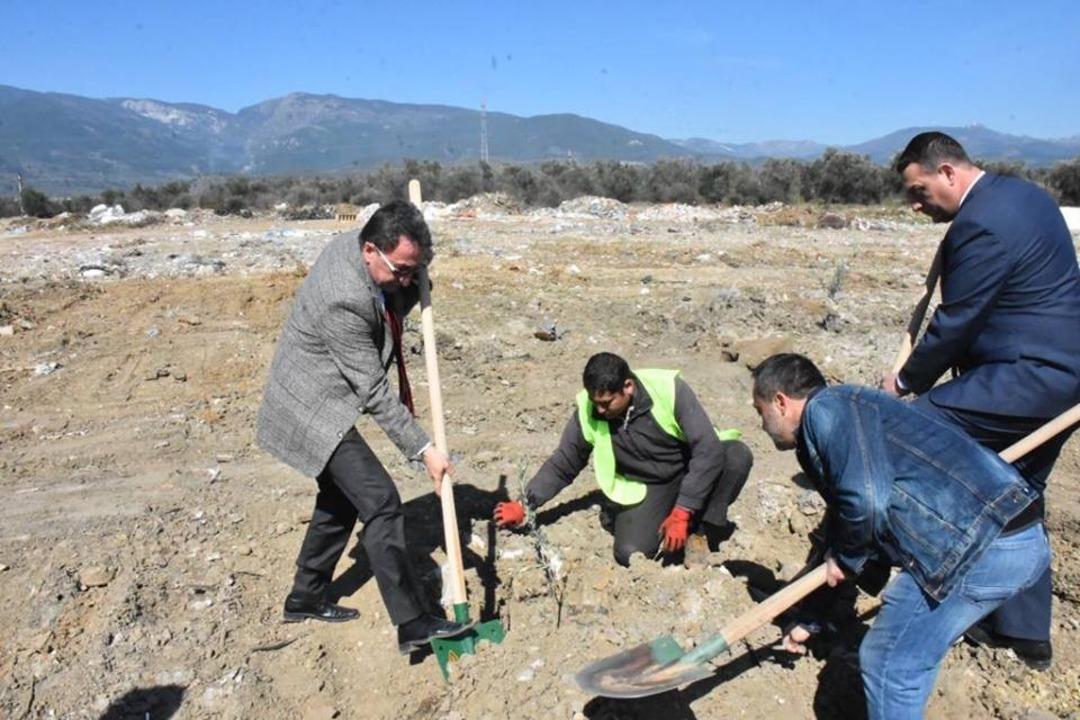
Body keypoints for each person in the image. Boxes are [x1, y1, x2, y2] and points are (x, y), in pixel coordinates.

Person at [753, 353, 1048, 720]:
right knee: (910, 654)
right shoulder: (855, 414)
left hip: (981, 547)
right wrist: (812, 615)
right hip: (1017, 537)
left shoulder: (825, 410)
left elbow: (865, 502)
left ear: (780, 402)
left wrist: (845, 558)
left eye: (760, 410)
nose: (761, 424)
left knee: (890, 664)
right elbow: (848, 525)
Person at [881, 131, 1080, 669]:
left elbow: (955, 325)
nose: (917, 205)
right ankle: (1024, 634)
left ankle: (880, 560)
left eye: (920, 191)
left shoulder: (980, 223)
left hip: (1027, 377)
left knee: (908, 438)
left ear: (948, 172)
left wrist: (902, 384)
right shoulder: (1027, 195)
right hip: (1065, 377)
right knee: (1017, 491)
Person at [256, 200, 470, 654]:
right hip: (311, 407)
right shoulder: (344, 298)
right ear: (370, 249)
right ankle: (413, 623)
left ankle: (305, 596)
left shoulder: (369, 254)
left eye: (416, 269)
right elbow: (373, 392)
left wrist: (414, 278)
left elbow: (395, 289)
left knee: (340, 497)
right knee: (381, 501)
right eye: (403, 270)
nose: (408, 280)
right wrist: (425, 449)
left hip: (325, 392)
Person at [493, 352, 753, 566]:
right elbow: (564, 464)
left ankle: (700, 531)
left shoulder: (667, 389)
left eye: (607, 403)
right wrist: (525, 503)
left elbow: (707, 449)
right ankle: (652, 517)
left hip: (690, 466)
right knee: (631, 552)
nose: (600, 411)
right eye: (596, 404)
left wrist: (683, 511)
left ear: (628, 387)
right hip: (651, 484)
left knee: (735, 456)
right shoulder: (590, 409)